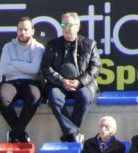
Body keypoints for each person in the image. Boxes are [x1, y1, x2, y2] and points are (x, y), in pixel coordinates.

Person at [40, 11, 100, 143]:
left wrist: (79, 82)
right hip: (59, 84)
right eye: (63, 25)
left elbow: (95, 68)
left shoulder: (89, 44)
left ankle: (69, 135)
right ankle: (74, 133)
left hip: (81, 84)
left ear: (77, 26)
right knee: (54, 98)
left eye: (69, 25)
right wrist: (61, 81)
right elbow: (46, 68)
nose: (66, 28)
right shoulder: (52, 45)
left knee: (85, 97)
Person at [0, 17, 44, 144]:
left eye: (26, 29)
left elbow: (34, 70)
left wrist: (15, 63)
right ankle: (21, 134)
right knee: (2, 98)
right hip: (11, 81)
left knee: (34, 97)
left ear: (32, 31)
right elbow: (5, 70)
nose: (22, 32)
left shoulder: (38, 48)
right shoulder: (8, 47)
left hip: (30, 81)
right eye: (20, 29)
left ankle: (14, 134)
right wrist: (25, 66)